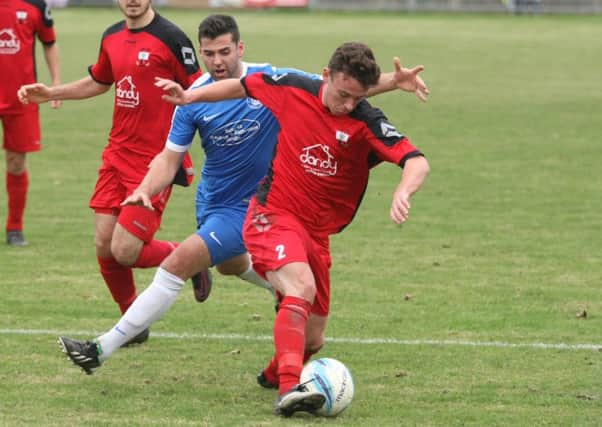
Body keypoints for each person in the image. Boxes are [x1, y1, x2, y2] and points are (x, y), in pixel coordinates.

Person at [52, 15, 428, 399]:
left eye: (225, 52)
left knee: (194, 265)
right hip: (216, 203)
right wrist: (145, 188)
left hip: (258, 207)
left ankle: (102, 348)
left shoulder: (275, 81)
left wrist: (391, 84)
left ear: (240, 48)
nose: (217, 61)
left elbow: (332, 91)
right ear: (200, 53)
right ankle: (283, 297)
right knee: (235, 268)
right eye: (210, 53)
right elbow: (168, 158)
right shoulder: (191, 98)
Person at [158, 41, 430, 416]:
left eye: (358, 97)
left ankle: (273, 373)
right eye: (343, 94)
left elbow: (416, 160)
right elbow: (241, 86)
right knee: (300, 287)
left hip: (317, 234)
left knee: (314, 337)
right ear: (326, 77)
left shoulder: (366, 121)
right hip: (272, 214)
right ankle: (289, 389)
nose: (348, 104)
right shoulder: (293, 87)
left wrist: (404, 188)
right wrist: (189, 97)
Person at [17, 0, 202, 344]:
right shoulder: (112, 36)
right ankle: (133, 324)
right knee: (104, 244)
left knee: (126, 251)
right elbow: (100, 81)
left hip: (154, 163)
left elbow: (201, 90)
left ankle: (193, 257)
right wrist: (52, 92)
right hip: (116, 156)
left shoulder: (172, 38)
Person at [1, 0, 61, 246]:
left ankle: (15, 227)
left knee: (16, 161)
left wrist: (56, 84)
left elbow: (49, 43)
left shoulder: (36, 5)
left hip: (21, 97)